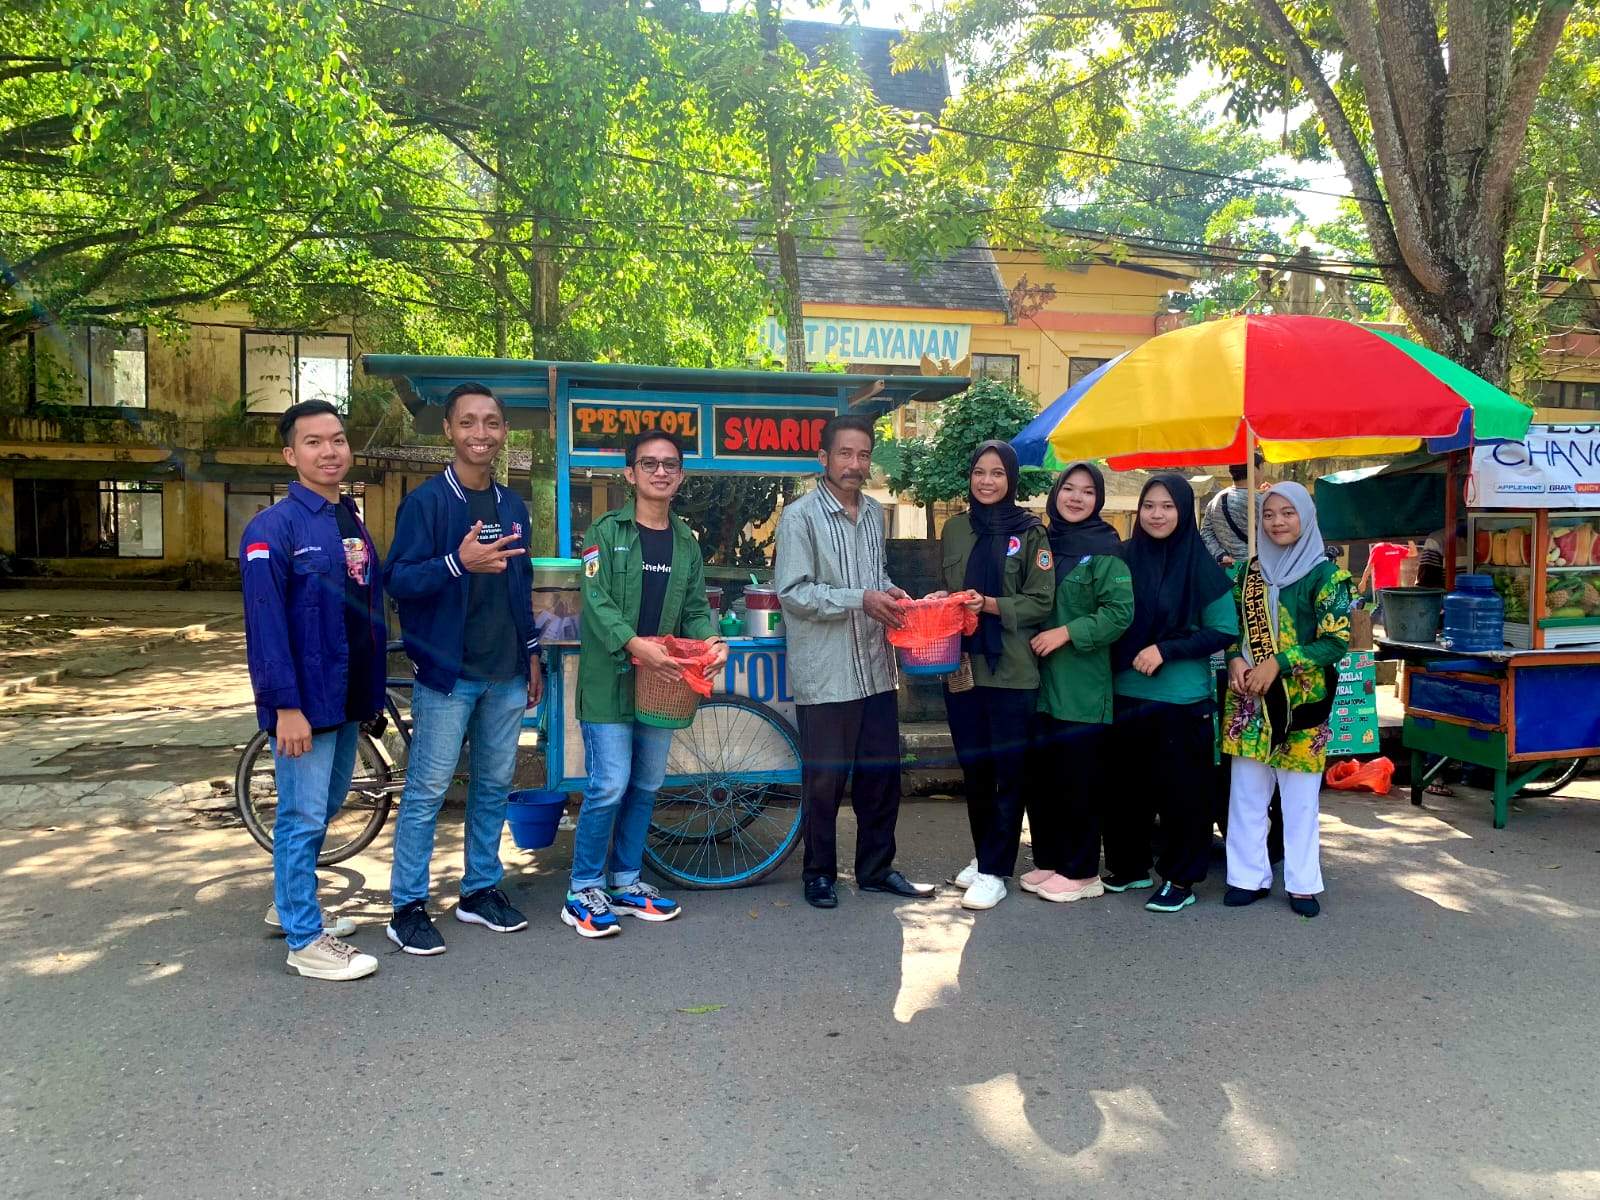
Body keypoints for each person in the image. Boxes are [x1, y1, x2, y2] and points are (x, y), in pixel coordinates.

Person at [383, 382, 544, 956]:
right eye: (469, 422)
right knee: (427, 790)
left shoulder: (510, 505)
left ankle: (479, 891)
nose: (482, 433)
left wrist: (531, 653)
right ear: (448, 430)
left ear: (504, 432)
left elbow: (520, 585)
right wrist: (458, 561)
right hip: (448, 676)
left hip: (504, 671)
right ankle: (406, 906)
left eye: (492, 422)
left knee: (494, 786)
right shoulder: (427, 503)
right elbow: (397, 580)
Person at [562, 430, 728, 938]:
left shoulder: (685, 542)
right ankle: (582, 888)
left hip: (663, 686)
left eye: (670, 464)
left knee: (647, 783)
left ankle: (627, 880)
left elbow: (697, 608)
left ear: (680, 475)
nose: (661, 471)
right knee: (609, 784)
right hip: (611, 680)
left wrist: (713, 641)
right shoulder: (603, 532)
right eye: (649, 463)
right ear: (631, 474)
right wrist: (636, 645)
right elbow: (598, 603)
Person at [240, 399, 384, 982]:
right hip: (306, 699)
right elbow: (265, 626)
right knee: (302, 816)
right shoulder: (271, 528)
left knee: (324, 807)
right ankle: (304, 939)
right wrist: (285, 707)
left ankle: (288, 903)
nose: (330, 451)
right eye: (314, 442)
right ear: (289, 453)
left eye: (338, 440)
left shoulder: (348, 517)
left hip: (348, 693)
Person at [774, 414, 934, 910]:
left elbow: (875, 574)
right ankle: (819, 873)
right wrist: (859, 599)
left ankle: (876, 869)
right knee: (824, 780)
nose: (855, 464)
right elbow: (793, 594)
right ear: (824, 459)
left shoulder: (874, 513)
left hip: (876, 667)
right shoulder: (799, 517)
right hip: (826, 674)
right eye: (844, 453)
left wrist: (887, 592)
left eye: (863, 454)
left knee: (882, 776)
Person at [1105, 474, 1237, 914]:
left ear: (1184, 512)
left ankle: (1181, 877)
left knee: (1182, 793)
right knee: (1127, 789)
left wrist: (1165, 649)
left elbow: (1223, 631)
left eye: (1167, 506)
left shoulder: (1200, 565)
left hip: (1181, 699)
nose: (1157, 514)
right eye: (1149, 506)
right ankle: (1131, 866)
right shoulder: (1123, 558)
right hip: (1125, 690)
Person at [1223, 483, 1352, 919]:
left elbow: (1336, 642)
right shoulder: (1248, 573)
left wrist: (1278, 662)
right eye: (1269, 515)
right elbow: (1232, 628)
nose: (1277, 522)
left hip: (1302, 705)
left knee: (1299, 799)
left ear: (1306, 517)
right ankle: (1246, 877)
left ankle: (1301, 883)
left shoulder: (1328, 576)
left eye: (1287, 513)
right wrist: (1236, 660)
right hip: (1249, 701)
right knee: (1246, 794)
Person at [938, 440, 1055, 911]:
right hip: (963, 668)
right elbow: (948, 594)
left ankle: (995, 869)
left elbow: (1041, 601)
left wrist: (988, 605)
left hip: (1011, 670)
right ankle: (986, 853)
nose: (987, 481)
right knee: (975, 770)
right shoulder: (954, 529)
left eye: (997, 473)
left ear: (1011, 480)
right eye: (979, 472)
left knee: (1009, 774)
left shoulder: (1031, 534)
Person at [1022, 462, 1134, 904]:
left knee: (1078, 782)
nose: (1076, 498)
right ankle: (1049, 861)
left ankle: (1083, 870)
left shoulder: (1107, 550)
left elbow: (1119, 613)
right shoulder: (1043, 543)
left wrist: (1067, 633)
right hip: (1039, 685)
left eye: (1087, 492)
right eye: (1068, 488)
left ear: (1098, 500)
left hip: (1082, 686)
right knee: (1043, 781)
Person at [1200, 461, 1263, 567]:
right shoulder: (1259, 501)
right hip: (1255, 569)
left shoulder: (1217, 498)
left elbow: (1206, 532)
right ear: (1255, 470)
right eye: (1262, 468)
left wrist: (1220, 555)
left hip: (1227, 568)